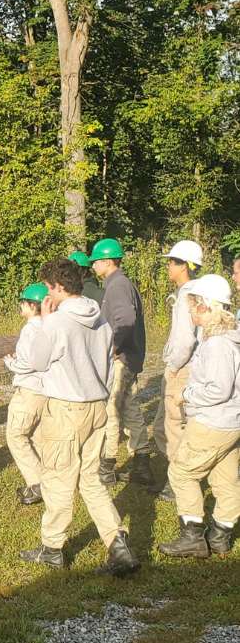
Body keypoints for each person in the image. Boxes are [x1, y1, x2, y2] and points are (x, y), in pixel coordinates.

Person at [19, 258, 139, 576]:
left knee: (58, 478)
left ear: (59, 287)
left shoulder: (56, 322)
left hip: (66, 407)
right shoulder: (98, 316)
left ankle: (53, 548)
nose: (46, 293)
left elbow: (38, 362)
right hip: (96, 405)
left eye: (48, 287)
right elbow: (108, 362)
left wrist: (44, 321)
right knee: (91, 481)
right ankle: (117, 544)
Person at [158, 274, 240, 558]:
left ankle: (192, 534)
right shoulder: (227, 338)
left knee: (181, 472)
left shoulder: (217, 344)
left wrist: (187, 395)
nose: (190, 311)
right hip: (230, 423)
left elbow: (218, 389)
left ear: (206, 306)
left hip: (212, 422)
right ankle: (220, 535)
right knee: (226, 479)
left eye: (193, 305)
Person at [89, 238, 152, 486]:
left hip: (121, 359)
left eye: (95, 262)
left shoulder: (116, 285)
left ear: (107, 261)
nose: (93, 266)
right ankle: (143, 465)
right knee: (130, 408)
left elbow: (125, 319)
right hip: (130, 357)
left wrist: (114, 347)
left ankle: (107, 466)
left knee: (112, 410)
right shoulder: (121, 283)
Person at [152, 240, 203, 500]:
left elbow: (185, 340)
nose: (168, 266)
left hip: (181, 369)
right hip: (190, 368)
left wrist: (172, 368)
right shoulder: (198, 291)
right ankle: (181, 475)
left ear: (184, 266)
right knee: (166, 425)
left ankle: (179, 481)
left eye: (171, 262)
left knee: (173, 426)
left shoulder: (186, 295)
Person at [3, 282, 48, 505]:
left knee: (16, 435)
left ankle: (36, 483)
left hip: (28, 390)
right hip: (45, 391)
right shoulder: (50, 326)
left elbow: (29, 362)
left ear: (32, 305)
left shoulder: (31, 328)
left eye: (23, 302)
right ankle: (50, 481)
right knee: (38, 437)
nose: (20, 305)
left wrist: (11, 363)